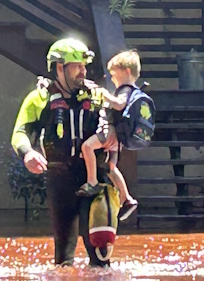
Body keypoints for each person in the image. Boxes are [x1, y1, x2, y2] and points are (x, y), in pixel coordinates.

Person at [11, 38, 119, 268]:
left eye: (84, 66)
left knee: (100, 252)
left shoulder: (97, 96)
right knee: (63, 256)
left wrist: (116, 133)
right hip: (60, 179)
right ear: (59, 67)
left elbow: (125, 119)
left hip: (94, 179)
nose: (83, 71)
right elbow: (20, 132)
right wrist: (27, 153)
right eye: (77, 66)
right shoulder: (39, 99)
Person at [76, 50, 141, 221]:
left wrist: (103, 93)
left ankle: (92, 182)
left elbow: (119, 106)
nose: (111, 78)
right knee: (111, 169)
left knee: (87, 147)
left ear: (126, 72)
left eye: (114, 74)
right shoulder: (133, 91)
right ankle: (127, 198)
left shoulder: (125, 90)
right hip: (118, 138)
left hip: (109, 131)